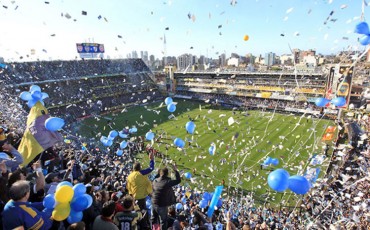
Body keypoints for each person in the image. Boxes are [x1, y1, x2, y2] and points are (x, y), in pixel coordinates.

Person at [126, 152, 154, 229]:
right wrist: (151, 159)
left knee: (138, 211)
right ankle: (144, 226)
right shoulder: (141, 173)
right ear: (140, 168)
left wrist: (132, 197)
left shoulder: (129, 176)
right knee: (143, 212)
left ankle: (140, 224)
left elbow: (129, 188)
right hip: (141, 197)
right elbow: (151, 168)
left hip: (134, 198)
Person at [151, 164, 181, 230]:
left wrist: (158, 173)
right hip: (161, 205)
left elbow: (154, 179)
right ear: (167, 174)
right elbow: (178, 180)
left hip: (153, 203)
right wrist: (175, 170)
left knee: (153, 219)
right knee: (163, 221)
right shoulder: (167, 182)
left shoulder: (155, 181)